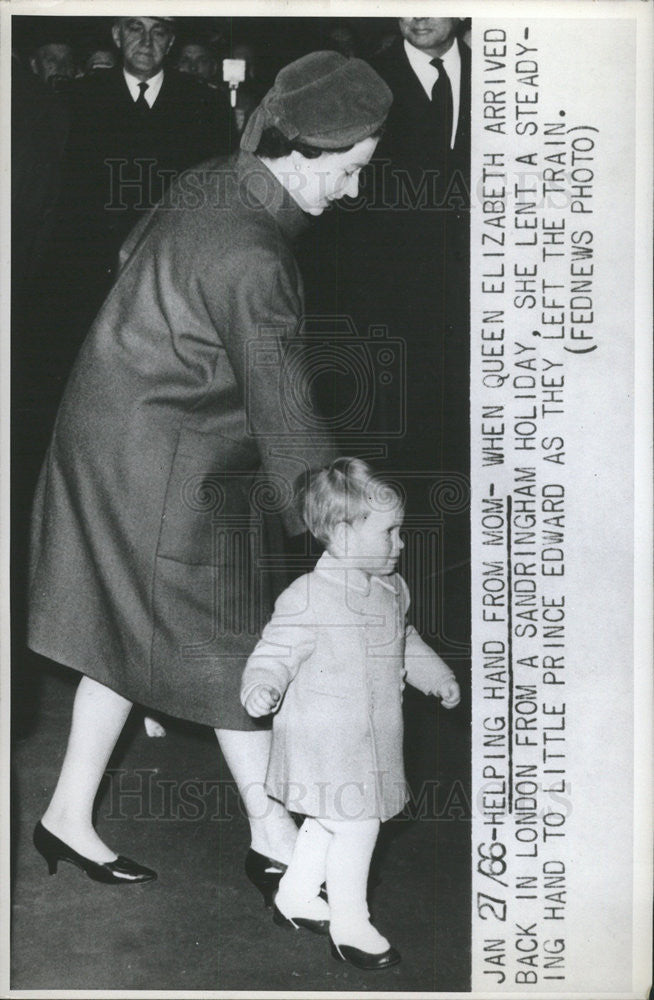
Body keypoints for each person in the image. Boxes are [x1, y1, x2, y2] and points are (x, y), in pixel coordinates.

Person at [29, 52, 392, 889]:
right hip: (159, 464)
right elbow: (285, 412)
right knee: (231, 641)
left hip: (113, 431)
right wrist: (344, 524)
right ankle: (273, 832)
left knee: (120, 635)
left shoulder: (214, 180)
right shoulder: (255, 257)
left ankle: (66, 817)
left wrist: (168, 357)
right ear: (298, 152)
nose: (353, 190)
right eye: (346, 171)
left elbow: (128, 255)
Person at [241, 459, 460, 969]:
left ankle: (294, 896)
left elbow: (405, 642)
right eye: (389, 532)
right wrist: (262, 686)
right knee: (358, 825)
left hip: (372, 740)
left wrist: (437, 676)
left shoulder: (391, 590)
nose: (400, 543)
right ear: (341, 532)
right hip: (324, 742)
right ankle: (350, 923)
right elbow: (272, 653)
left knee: (327, 820)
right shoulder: (308, 597)